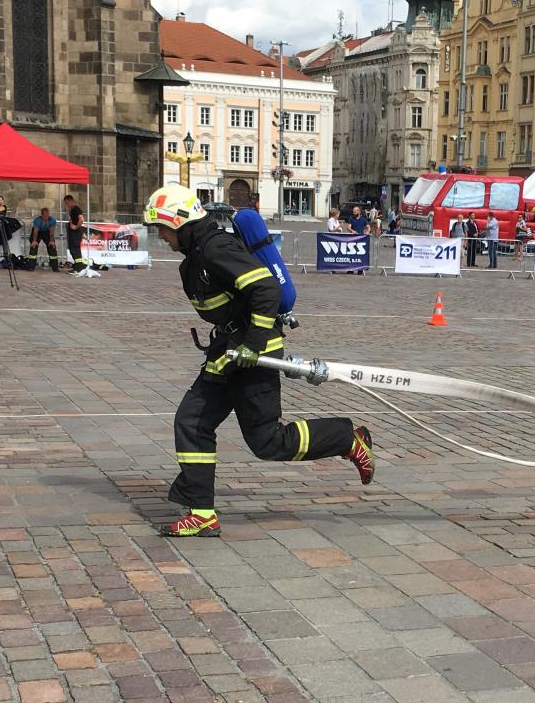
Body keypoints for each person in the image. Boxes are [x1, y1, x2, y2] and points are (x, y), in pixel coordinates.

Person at [142, 184, 375, 538]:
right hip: (228, 353)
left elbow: (266, 289)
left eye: (162, 227)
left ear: (181, 222)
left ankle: (348, 439)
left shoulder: (216, 247)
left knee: (268, 442)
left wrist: (253, 344)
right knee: (191, 422)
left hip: (255, 354)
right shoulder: (200, 251)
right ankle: (202, 512)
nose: (160, 236)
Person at [62, 194, 89, 274]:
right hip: (73, 232)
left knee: (75, 249)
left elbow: (81, 219)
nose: (66, 205)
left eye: (67, 203)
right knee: (72, 249)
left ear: (71, 201)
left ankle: (79, 266)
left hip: (75, 233)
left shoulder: (77, 209)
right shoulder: (72, 210)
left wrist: (76, 227)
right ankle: (77, 265)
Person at [28, 206, 59, 271]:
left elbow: (51, 232)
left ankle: (55, 267)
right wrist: (34, 241)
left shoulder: (52, 220)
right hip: (38, 232)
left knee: (52, 247)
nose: (46, 218)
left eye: (47, 216)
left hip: (47, 232)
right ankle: (31, 266)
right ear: (41, 215)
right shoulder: (37, 221)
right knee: (33, 247)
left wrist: (52, 241)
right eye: (45, 216)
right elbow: (35, 232)